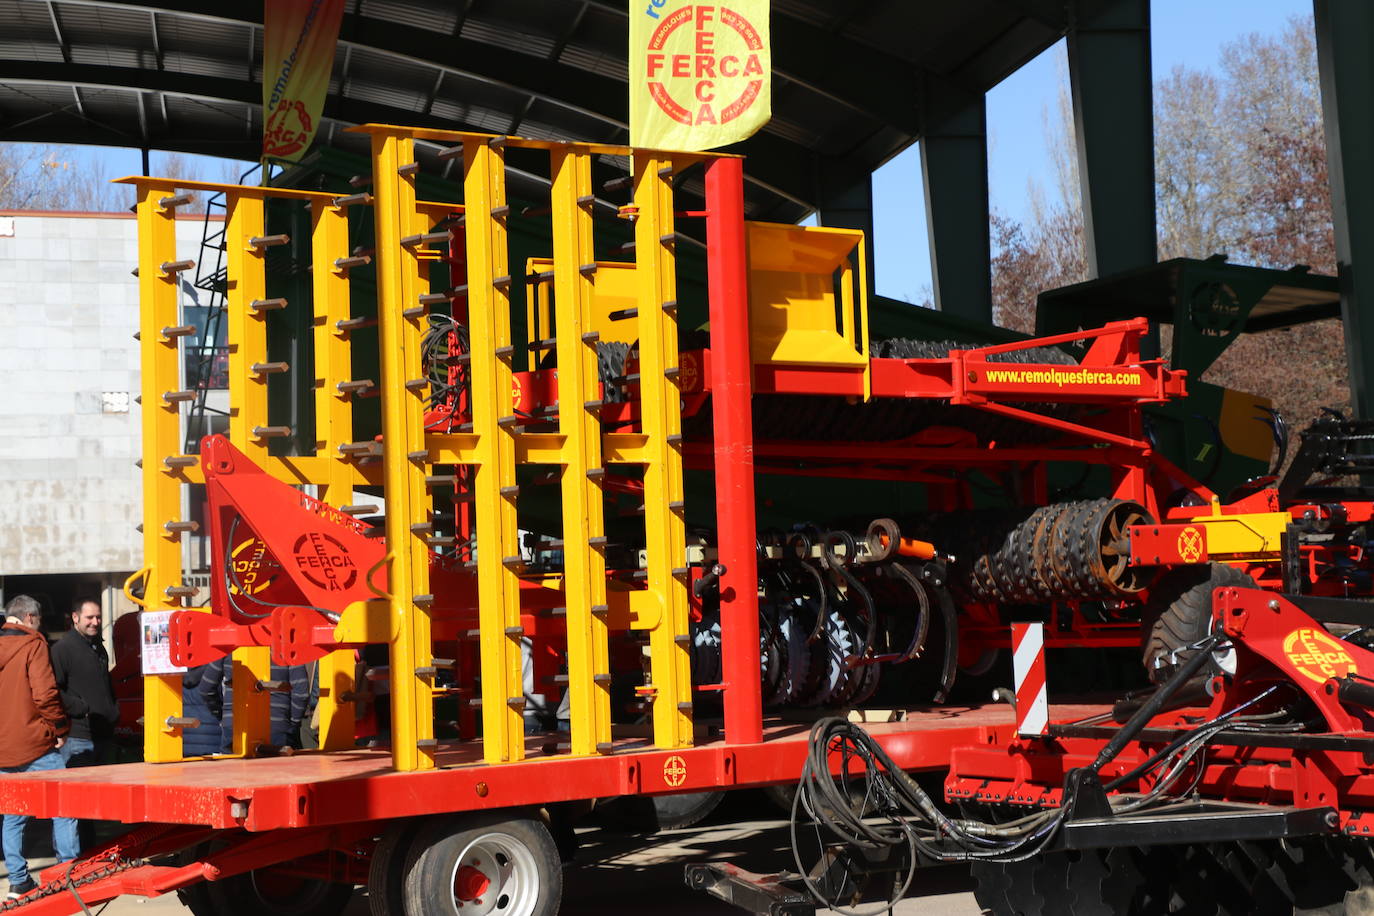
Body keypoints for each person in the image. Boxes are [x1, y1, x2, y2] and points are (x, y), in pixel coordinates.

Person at [0, 595, 79, 899]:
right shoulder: (33, 644)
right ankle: (68, 872)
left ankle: (18, 881)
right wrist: (58, 729)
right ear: (31, 618)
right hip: (35, 745)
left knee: (12, 815)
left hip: (4, 749)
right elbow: (45, 694)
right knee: (64, 805)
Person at [49, 599, 118, 769]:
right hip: (78, 738)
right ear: (75, 617)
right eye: (90, 617)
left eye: (98, 617)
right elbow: (52, 689)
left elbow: (105, 684)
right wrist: (79, 708)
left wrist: (114, 710)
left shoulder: (98, 647)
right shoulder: (62, 649)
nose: (95, 622)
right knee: (81, 793)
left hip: (104, 734)